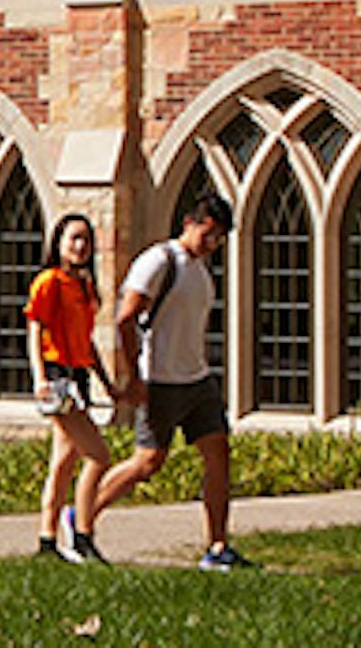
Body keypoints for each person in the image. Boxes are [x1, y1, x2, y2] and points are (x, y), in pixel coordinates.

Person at [81, 193, 246, 570]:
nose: (212, 244)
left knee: (219, 454)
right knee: (147, 462)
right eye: (208, 233)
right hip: (160, 380)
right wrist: (134, 378)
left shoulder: (200, 270)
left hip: (197, 379)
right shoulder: (159, 261)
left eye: (218, 238)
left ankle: (218, 548)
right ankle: (82, 516)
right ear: (189, 222)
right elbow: (125, 318)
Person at [24, 212, 115, 562]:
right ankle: (82, 533)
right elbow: (35, 329)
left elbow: (86, 342)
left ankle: (47, 541)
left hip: (77, 376)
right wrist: (39, 377)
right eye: (73, 238)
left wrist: (106, 381)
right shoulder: (48, 282)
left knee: (63, 461)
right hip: (57, 376)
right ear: (58, 243)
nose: (80, 246)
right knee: (98, 455)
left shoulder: (85, 287)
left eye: (85, 240)